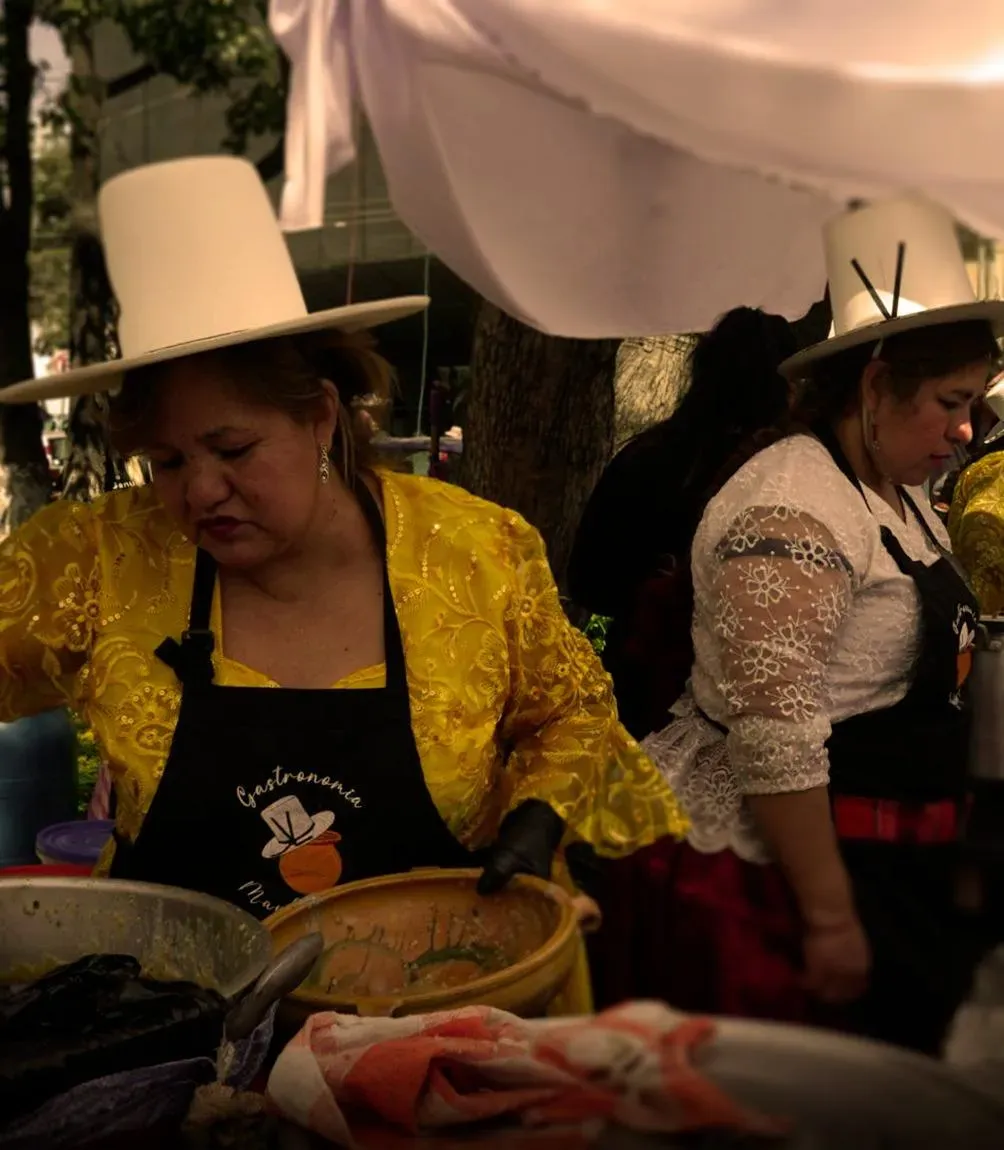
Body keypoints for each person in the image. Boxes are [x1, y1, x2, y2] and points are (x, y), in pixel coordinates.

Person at [0, 156, 687, 1015]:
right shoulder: (99, 557)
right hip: (170, 1023)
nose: (199, 491)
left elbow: (570, 712)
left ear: (320, 415)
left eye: (233, 449)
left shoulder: (473, 552)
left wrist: (542, 810)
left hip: (438, 1014)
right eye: (168, 462)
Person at [642, 194, 1003, 1056]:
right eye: (952, 402)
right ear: (876, 386)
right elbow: (775, 736)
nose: (966, 429)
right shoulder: (793, 507)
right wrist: (832, 920)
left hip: (892, 862)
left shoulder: (900, 488)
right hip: (781, 885)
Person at [567, 308, 797, 742]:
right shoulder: (795, 472)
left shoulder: (647, 457)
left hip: (645, 690)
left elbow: (587, 581)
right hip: (754, 697)